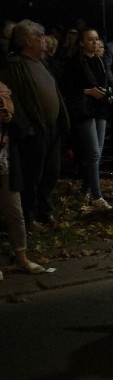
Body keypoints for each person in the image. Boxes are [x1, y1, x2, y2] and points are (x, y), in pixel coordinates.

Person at [0, 19, 70, 230]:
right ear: (27, 41)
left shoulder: (42, 62)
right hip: (33, 130)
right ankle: (28, 217)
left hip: (51, 127)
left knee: (51, 171)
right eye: (39, 36)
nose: (44, 39)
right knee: (32, 175)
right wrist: (24, 125)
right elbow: (12, 98)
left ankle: (45, 211)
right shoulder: (14, 65)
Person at [61, 28, 113, 209]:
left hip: (100, 109)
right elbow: (66, 88)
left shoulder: (99, 60)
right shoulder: (75, 62)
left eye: (96, 39)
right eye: (90, 39)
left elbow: (106, 80)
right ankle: (97, 195)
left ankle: (85, 190)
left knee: (96, 153)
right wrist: (88, 91)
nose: (94, 42)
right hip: (85, 109)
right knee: (93, 152)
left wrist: (106, 92)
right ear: (82, 42)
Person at [0, 81, 46, 280]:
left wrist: (10, 119)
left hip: (6, 162)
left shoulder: (7, 91)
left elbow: (21, 126)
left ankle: (22, 257)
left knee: (15, 212)